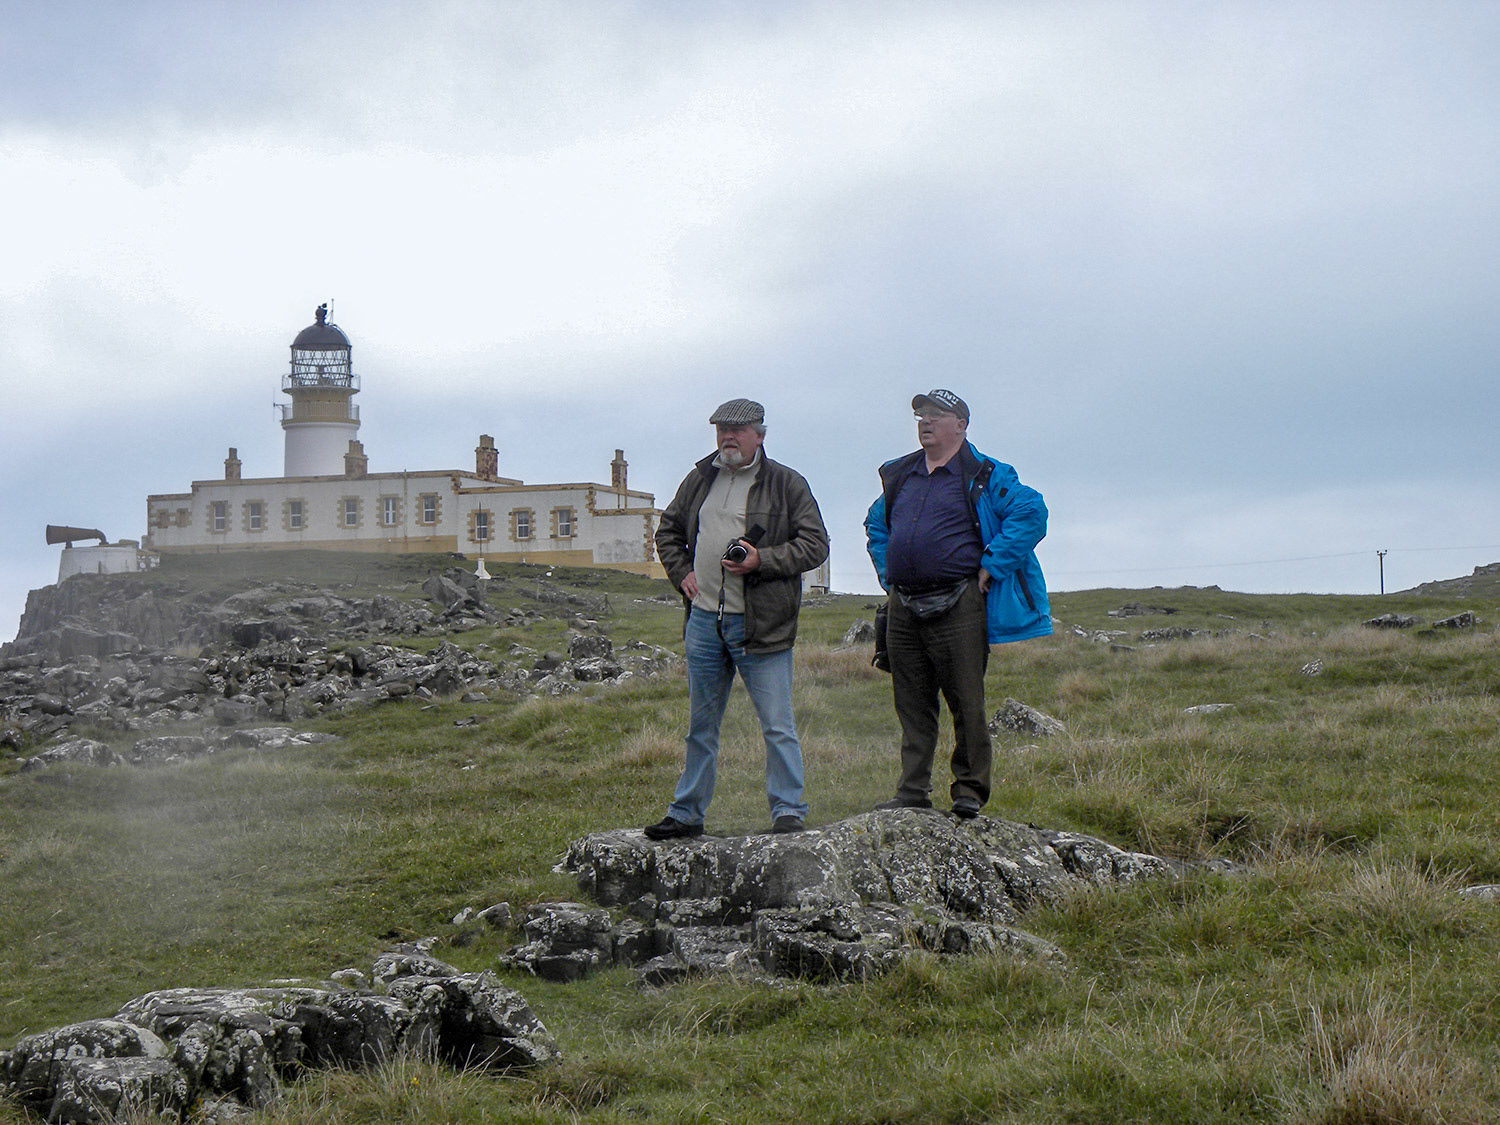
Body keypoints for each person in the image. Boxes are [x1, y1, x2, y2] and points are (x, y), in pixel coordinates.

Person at [646, 398, 830, 839]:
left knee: (777, 725)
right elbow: (668, 531)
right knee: (700, 726)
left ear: (759, 435)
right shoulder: (700, 478)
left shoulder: (787, 483)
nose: (727, 437)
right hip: (705, 622)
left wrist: (760, 559)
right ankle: (687, 813)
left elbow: (815, 544)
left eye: (738, 430)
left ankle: (788, 811)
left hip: (761, 625)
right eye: (721, 430)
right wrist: (682, 572)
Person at [864, 389, 1051, 818]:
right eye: (920, 415)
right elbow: (876, 522)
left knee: (966, 702)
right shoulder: (901, 475)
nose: (924, 422)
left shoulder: (985, 474)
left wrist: (993, 564)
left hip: (960, 602)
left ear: (961, 425)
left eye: (935, 415)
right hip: (904, 605)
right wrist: (888, 573)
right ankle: (912, 791)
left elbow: (1031, 512)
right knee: (911, 703)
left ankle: (969, 790)